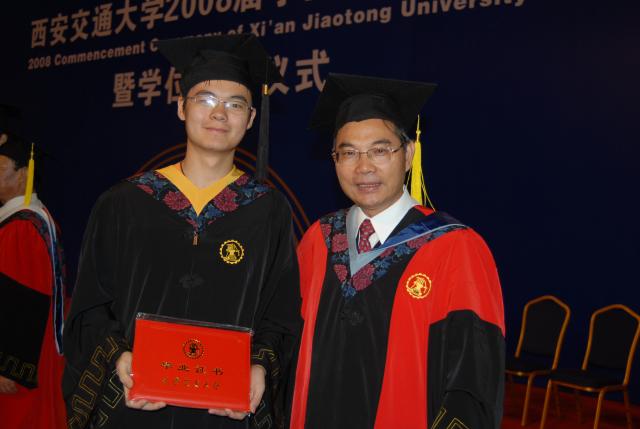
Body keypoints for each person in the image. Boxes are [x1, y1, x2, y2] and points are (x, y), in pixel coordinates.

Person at [63, 35, 301, 429]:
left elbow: (280, 315)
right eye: (205, 99)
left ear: (251, 119)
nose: (219, 114)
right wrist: (120, 357)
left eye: (235, 104)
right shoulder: (125, 202)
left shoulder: (267, 209)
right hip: (133, 404)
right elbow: (90, 306)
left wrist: (259, 367)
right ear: (180, 107)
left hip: (224, 412)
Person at [290, 74, 505, 429]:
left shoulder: (456, 248)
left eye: (380, 150)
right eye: (349, 153)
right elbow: (287, 342)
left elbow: (473, 382)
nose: (364, 167)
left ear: (408, 155)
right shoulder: (319, 239)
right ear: (334, 161)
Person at [0, 104, 67, 428]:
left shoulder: (22, 227)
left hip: (20, 361)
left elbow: (22, 298)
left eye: (0, 168)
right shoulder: (37, 219)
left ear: (23, 174)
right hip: (38, 351)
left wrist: (9, 367)